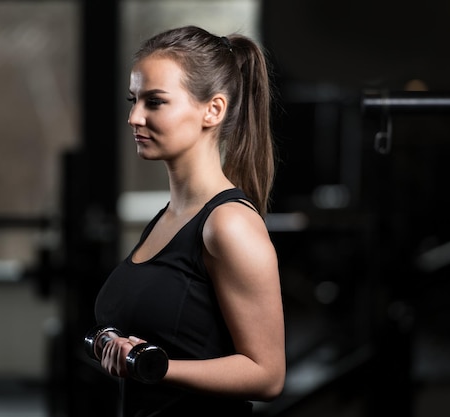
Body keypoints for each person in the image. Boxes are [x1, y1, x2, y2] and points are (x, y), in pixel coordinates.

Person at [92, 25, 286, 417]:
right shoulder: (167, 219)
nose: (134, 116)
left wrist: (154, 367)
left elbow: (267, 375)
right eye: (133, 100)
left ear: (213, 110)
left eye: (155, 102)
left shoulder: (228, 225)